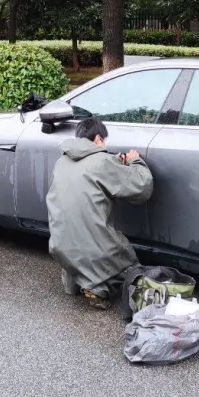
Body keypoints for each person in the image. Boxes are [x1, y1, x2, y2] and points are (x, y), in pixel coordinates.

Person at [46, 116, 154, 309]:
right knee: (128, 264)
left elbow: (90, 174)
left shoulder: (61, 162)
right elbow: (142, 187)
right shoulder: (102, 161)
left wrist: (114, 162)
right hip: (93, 246)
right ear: (98, 138)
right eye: (104, 141)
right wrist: (135, 161)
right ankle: (98, 290)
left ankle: (75, 284)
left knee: (77, 241)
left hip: (59, 245)